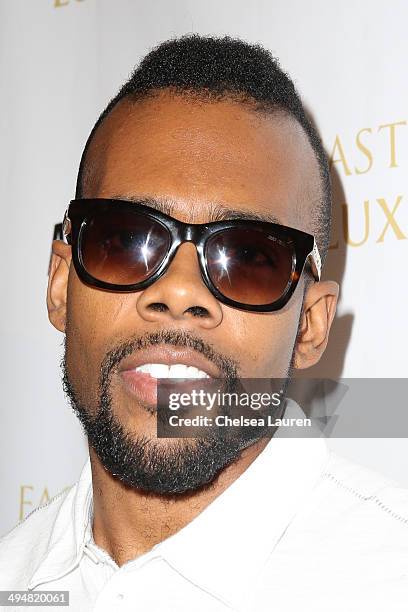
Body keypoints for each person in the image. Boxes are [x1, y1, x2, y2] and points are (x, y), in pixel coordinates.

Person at [0, 35, 407, 611]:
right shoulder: (13, 576)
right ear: (62, 284)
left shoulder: (390, 578)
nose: (180, 293)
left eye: (248, 259)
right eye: (127, 240)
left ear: (311, 326)